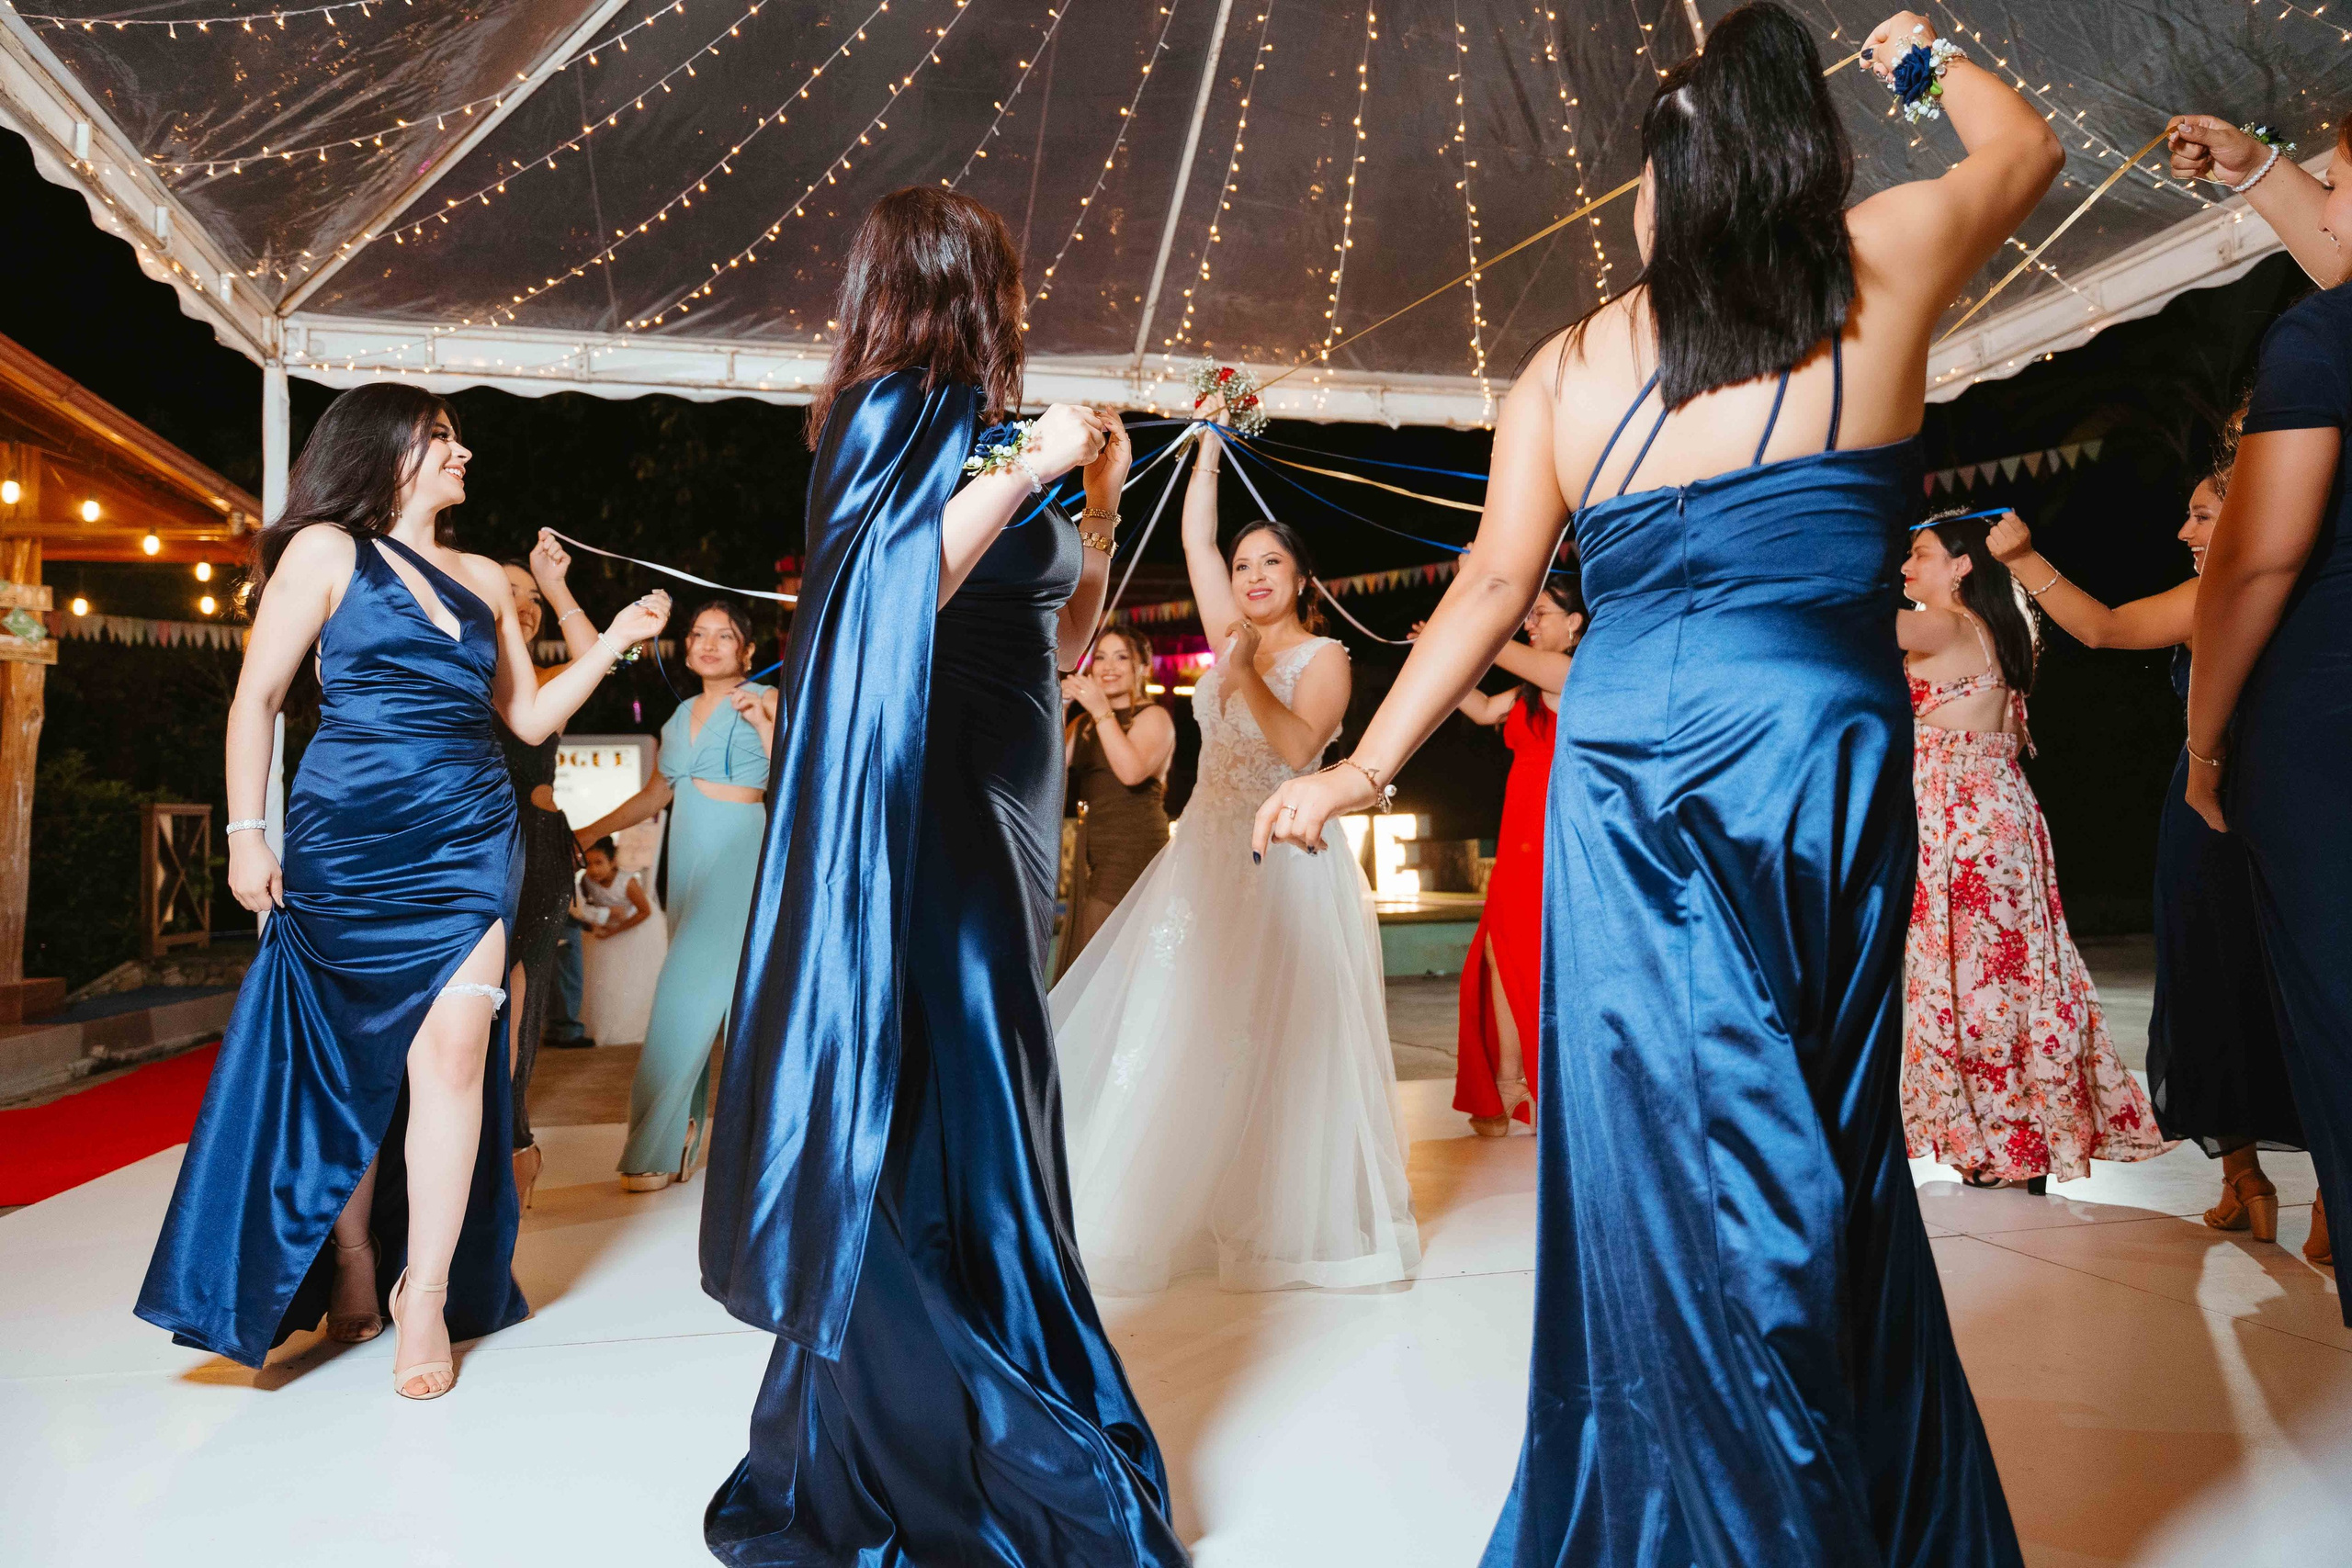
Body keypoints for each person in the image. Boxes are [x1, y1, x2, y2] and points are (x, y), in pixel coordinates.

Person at [1255, 8, 2057, 1562]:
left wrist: (1363, 766)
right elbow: (2022, 148)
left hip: (1628, 755)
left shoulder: (1571, 363)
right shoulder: (1883, 258)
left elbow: (1494, 583)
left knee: (1659, 1141)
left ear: (1668, 186)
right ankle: (1843, 1492)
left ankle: (1726, 1506)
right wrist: (1912, 46)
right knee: (1824, 1121)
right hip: (1817, 740)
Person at [697, 186, 1184, 1565]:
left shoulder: (985, 431)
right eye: (1003, 281)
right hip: (930, 804)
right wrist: (1030, 468)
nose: (1019, 305)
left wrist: (1097, 500)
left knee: (988, 1083)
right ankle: (927, 1421)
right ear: (955, 281)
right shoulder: (883, 411)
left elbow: (1063, 637)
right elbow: (889, 598)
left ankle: (981, 1361)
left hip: (1015, 802)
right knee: (942, 1070)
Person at [136, 384, 668, 1400]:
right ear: (385, 451)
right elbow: (256, 699)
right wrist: (247, 835)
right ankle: (351, 1257)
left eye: (457, 438)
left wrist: (609, 641)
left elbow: (527, 718)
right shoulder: (325, 552)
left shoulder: (484, 574)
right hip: (347, 839)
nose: (462, 453)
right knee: (346, 1067)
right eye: (440, 438)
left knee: (459, 1052)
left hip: (470, 837)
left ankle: (424, 1293)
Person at [1046, 411, 1419, 1295]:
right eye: (1244, 564)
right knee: (1184, 1022)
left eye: (1270, 564)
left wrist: (1245, 668)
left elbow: (1298, 749)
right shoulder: (1227, 628)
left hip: (1287, 864)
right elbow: (1195, 538)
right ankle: (1164, 1206)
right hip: (1204, 858)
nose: (1251, 575)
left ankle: (1280, 1215)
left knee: (1279, 1037)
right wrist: (1209, 446)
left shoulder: (1325, 658)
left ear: (1301, 580)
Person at [1987, 479, 2304, 1233]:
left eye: (2201, 515)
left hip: (2211, 810)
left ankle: (2246, 1179)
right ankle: (2327, 1201)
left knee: (2212, 987)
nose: (2183, 531)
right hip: (2298, 809)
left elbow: (2102, 629)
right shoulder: (2313, 595)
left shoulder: (2214, 597)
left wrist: (2024, 558)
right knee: (2297, 994)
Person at [2182, 118, 2352, 1285]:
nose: (2322, 204)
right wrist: (2256, 171)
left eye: (2335, 181)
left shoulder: (2315, 339)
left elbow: (2253, 563)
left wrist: (2204, 743)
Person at [1896, 510, 2165, 1189]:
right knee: (2013, 982)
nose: (1905, 567)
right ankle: (2028, 1137)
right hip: (2004, 819)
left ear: (1961, 566)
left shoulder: (1943, 625)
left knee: (1973, 987)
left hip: (1961, 827)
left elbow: (1845, 621)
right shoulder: (1998, 629)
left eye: (1920, 554)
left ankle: (2002, 1145)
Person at [571, 600, 775, 1191]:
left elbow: (805, 777)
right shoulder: (679, 715)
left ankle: (653, 1144)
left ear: (748, 651)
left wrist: (765, 725)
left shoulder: (767, 700)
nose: (707, 644)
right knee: (718, 999)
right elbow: (655, 795)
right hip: (686, 866)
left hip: (739, 854)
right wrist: (582, 834)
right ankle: (687, 1130)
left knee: (681, 997)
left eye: (724, 636)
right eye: (697, 634)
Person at [1445, 575, 1583, 1137]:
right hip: (1516, 836)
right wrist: (1442, 658)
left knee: (1528, 954)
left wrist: (1475, 607)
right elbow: (1480, 709)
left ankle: (1533, 1082)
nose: (1531, 622)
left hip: (1555, 835)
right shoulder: (1528, 691)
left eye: (1540, 613)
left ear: (1575, 624)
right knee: (1498, 952)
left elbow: (1500, 647)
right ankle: (1510, 1079)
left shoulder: (1575, 674)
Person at [495, 533, 599, 1209]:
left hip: (537, 852)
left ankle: (514, 1144)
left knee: (518, 1002)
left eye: (531, 598)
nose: (525, 605)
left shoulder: (542, 683)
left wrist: (556, 585)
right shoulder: (457, 672)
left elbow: (598, 658)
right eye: (512, 593)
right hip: (465, 850)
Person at [1056, 623, 1175, 969]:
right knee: (1086, 956)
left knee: (1102, 959)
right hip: (1092, 850)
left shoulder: (1154, 717)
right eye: (1101, 658)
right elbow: (1051, 777)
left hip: (1132, 847)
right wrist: (1060, 708)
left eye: (1121, 657)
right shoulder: (1084, 725)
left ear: (1143, 667)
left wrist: (1100, 710)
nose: (1108, 667)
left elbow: (1131, 772)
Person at [575, 833, 665, 1049]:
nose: (593, 869)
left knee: (632, 976)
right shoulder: (586, 881)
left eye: (599, 863)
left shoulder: (628, 882)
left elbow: (644, 912)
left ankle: (633, 1024)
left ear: (613, 861)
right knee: (605, 976)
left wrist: (614, 932)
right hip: (608, 926)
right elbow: (585, 906)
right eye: (589, 863)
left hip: (637, 928)